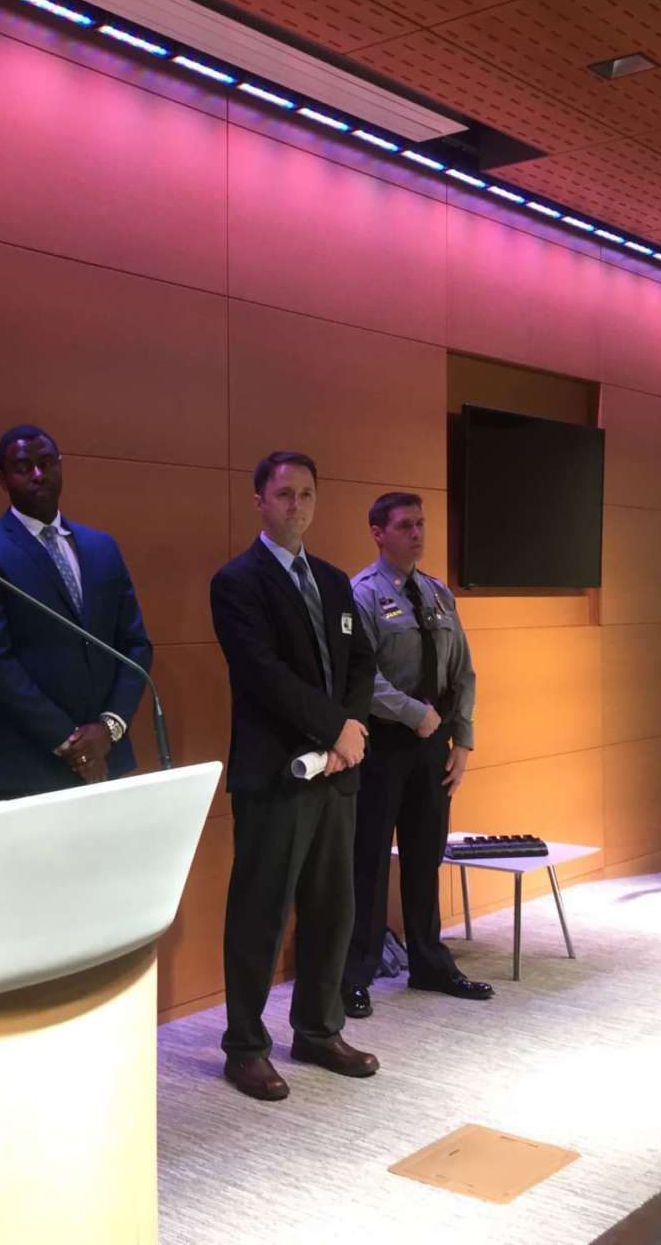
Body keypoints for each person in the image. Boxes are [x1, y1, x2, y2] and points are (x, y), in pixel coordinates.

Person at [209, 450, 380, 1102]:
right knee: (261, 911)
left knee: (333, 908)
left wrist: (350, 732)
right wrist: (335, 730)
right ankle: (245, 1047)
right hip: (275, 776)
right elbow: (264, 675)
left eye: (307, 494)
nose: (296, 506)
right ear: (259, 501)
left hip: (335, 776)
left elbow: (361, 662)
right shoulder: (237, 583)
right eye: (284, 494)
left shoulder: (334, 581)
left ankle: (317, 1030)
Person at [342, 492, 491, 1017]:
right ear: (378, 532)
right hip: (383, 745)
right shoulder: (361, 594)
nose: (417, 534)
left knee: (426, 856)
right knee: (369, 861)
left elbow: (464, 670)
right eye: (405, 525)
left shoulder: (438, 594)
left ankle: (429, 961)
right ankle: (356, 974)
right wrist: (411, 713)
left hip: (434, 746)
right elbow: (361, 677)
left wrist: (463, 740)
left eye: (421, 524)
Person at [0, 424, 153, 798]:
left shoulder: (102, 547)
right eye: (23, 467)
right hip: (27, 767)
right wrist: (72, 742)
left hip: (108, 758)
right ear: (2, 479)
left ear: (61, 465)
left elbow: (136, 645)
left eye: (46, 463)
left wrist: (108, 730)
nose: (37, 474)